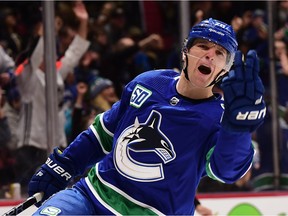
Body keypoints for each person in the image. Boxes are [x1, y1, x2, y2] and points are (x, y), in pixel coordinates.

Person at [28, 18, 266, 215]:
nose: (209, 56)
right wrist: (63, 165)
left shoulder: (220, 118)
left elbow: (227, 171)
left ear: (225, 68)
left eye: (220, 53)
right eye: (203, 46)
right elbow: (101, 136)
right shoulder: (149, 83)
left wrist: (237, 131)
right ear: (185, 52)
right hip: (91, 197)